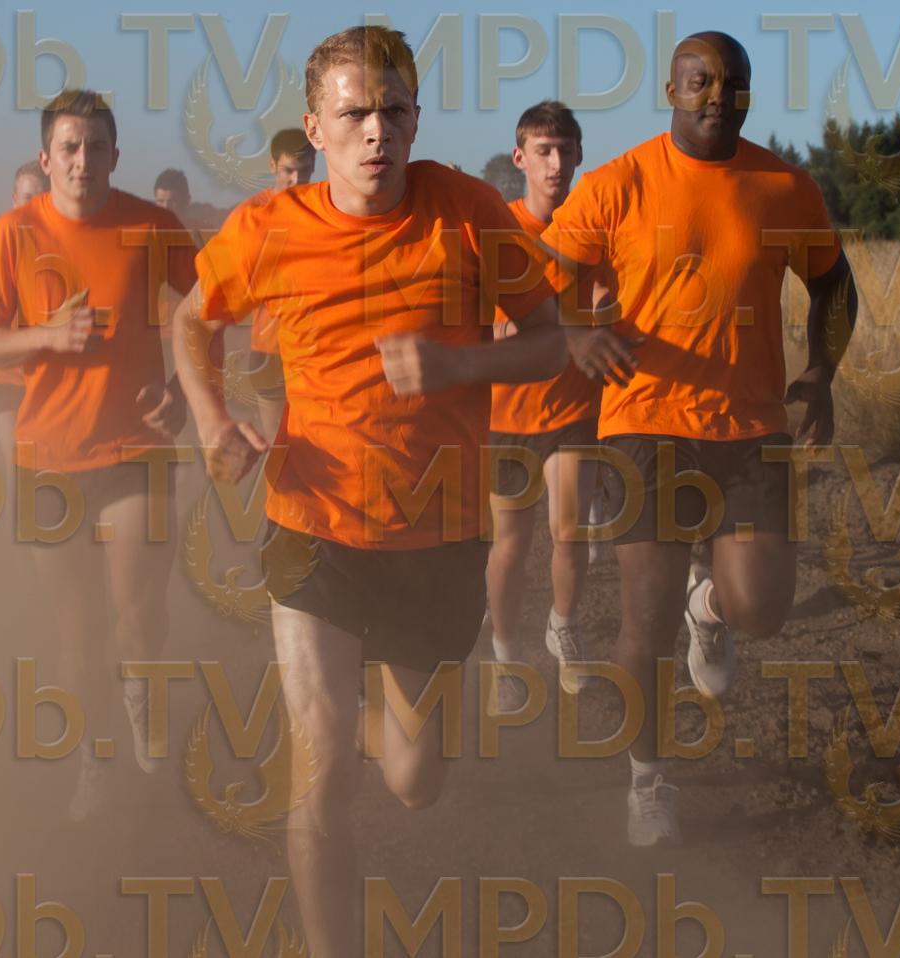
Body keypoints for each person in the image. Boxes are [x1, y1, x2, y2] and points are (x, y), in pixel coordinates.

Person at [172, 27, 564, 956]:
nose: (376, 131)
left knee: (415, 781)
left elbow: (553, 341)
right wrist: (212, 420)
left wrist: (456, 365)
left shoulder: (467, 210)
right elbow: (192, 320)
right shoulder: (268, 230)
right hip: (312, 528)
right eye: (353, 114)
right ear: (316, 128)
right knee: (320, 781)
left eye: (392, 111)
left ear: (417, 118)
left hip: (440, 536)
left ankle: (367, 710)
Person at [539, 31, 857, 846]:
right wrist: (575, 332)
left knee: (764, 609)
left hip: (752, 427)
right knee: (641, 622)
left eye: (733, 83)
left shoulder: (783, 186)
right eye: (700, 81)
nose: (717, 95)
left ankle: (707, 606)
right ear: (672, 90)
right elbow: (541, 278)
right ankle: (649, 781)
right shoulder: (618, 184)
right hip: (643, 422)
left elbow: (834, 285)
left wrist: (822, 372)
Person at [0, 89, 193, 820]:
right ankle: (92, 758)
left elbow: (207, 314)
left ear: (115, 156)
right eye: (69, 147)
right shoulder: (12, 234)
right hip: (48, 460)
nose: (82, 161)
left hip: (135, 450)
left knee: (139, 612)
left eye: (96, 147)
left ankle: (142, 692)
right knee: (78, 635)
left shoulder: (153, 226)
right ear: (46, 157)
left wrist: (184, 395)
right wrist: (46, 336)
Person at [482, 101, 610, 709]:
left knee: (570, 534)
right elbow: (476, 324)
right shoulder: (497, 232)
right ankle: (506, 654)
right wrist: (520, 330)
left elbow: (610, 305)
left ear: (580, 155)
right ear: (520, 158)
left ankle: (563, 624)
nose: (556, 163)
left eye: (565, 150)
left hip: (573, 408)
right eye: (543, 151)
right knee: (510, 544)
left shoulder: (595, 231)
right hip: (505, 415)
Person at [241, 128, 318, 443]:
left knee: (318, 446)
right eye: (288, 171)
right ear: (273, 166)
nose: (296, 180)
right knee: (280, 445)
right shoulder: (252, 216)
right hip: (269, 348)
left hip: (317, 351)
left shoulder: (326, 210)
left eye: (304, 171)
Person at [0, 161, 49, 469]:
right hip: (5, 373)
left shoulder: (67, 245)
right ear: (14, 199)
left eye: (41, 197)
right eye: (26, 197)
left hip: (50, 377)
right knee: (14, 462)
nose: (32, 205)